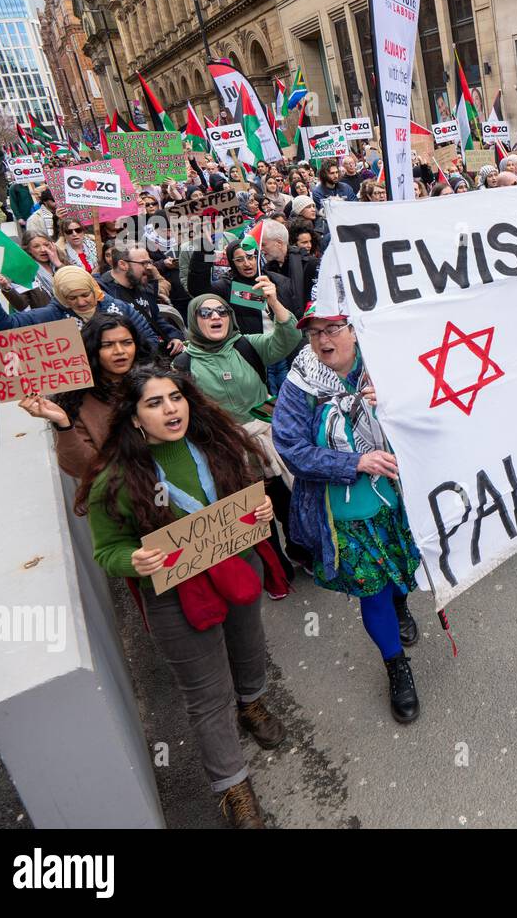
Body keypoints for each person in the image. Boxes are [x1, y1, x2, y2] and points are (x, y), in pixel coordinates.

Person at [79, 366, 287, 828]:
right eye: (154, 403)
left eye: (175, 397)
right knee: (206, 692)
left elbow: (248, 497)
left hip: (235, 568)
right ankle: (233, 785)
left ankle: (251, 703)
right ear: (134, 418)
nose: (171, 409)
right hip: (174, 592)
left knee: (249, 648)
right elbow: (107, 550)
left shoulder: (220, 444)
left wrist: (262, 508)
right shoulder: (112, 479)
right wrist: (133, 560)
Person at [271, 305, 424, 723]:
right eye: (315, 332)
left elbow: (428, 416)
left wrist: (393, 406)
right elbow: (290, 448)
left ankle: (402, 606)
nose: (324, 339)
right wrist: (354, 463)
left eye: (333, 328)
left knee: (402, 570)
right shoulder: (299, 385)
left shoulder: (386, 365)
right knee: (371, 589)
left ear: (355, 331)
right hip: (343, 515)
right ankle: (396, 666)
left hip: (396, 501)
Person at [179, 287, 306, 571]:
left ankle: (301, 553)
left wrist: (273, 300)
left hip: (268, 440)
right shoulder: (183, 365)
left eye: (222, 311)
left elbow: (290, 336)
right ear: (193, 320)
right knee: (255, 513)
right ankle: (277, 572)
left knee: (287, 502)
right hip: (227, 450)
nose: (216, 316)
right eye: (206, 312)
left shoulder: (246, 345)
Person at [17, 312, 154, 478]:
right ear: (92, 349)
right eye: (107, 345)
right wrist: (63, 424)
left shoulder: (157, 383)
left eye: (127, 343)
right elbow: (83, 468)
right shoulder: (77, 400)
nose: (120, 351)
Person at [0, 263, 160, 345]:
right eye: (72, 298)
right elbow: (5, 326)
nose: (81, 302)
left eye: (85, 295)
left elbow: (149, 340)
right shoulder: (52, 315)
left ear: (95, 290)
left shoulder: (121, 309)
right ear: (61, 296)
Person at [188, 231, 296, 338]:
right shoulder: (228, 286)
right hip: (252, 350)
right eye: (239, 260)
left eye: (250, 257)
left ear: (257, 258)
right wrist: (203, 251)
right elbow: (198, 289)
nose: (247, 264)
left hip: (283, 344)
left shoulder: (279, 281)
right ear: (232, 263)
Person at [99, 244, 187, 355]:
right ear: (123, 264)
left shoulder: (141, 283)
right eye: (143, 263)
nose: (149, 267)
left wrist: (174, 337)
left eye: (149, 262)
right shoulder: (104, 293)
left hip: (156, 352)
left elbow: (156, 319)